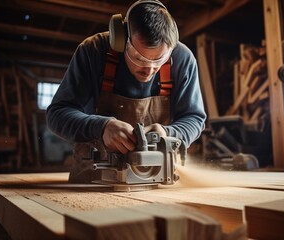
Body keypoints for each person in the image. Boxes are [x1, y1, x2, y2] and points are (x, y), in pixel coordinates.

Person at [46, 0, 206, 182]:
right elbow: (56, 115)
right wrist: (101, 127)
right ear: (121, 40)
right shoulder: (93, 51)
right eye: (138, 57)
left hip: (156, 179)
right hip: (94, 179)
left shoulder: (182, 59)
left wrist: (169, 134)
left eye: (159, 60)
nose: (149, 69)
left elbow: (194, 118)